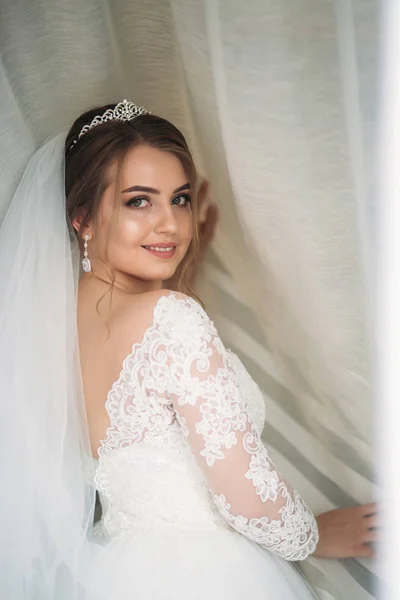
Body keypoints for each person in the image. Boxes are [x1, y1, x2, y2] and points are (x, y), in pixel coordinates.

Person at [0, 100, 376, 600]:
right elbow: (248, 501)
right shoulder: (171, 318)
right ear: (82, 217)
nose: (172, 224)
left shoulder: (48, 325)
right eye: (139, 201)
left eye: (178, 199)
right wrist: (316, 536)